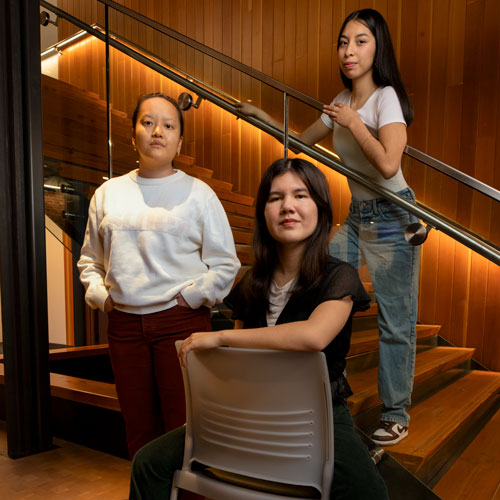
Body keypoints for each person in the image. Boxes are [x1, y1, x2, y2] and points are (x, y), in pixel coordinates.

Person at [129, 158, 389, 500]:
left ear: (321, 209)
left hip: (317, 418)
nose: (288, 207)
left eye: (301, 195)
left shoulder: (339, 276)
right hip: (249, 411)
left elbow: (313, 336)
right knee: (148, 463)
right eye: (275, 198)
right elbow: (236, 366)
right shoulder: (253, 281)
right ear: (264, 213)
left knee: (370, 494)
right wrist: (204, 414)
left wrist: (221, 336)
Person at [236, 8, 419, 446]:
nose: (349, 50)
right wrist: (262, 116)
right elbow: (301, 142)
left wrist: (355, 123)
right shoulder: (340, 101)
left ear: (378, 48)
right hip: (358, 216)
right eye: (343, 41)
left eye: (360, 41)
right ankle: (310, 375)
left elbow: (390, 162)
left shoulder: (385, 98)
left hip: (394, 218)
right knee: (315, 276)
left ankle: (396, 414)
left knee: (396, 321)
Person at [77, 93, 240, 458]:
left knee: (187, 428)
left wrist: (191, 298)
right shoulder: (108, 194)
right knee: (138, 428)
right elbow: (90, 261)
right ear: (133, 133)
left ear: (179, 141)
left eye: (168, 125)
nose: (157, 131)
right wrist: (103, 298)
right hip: (124, 324)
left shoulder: (200, 195)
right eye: (147, 122)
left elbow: (226, 264)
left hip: (181, 323)